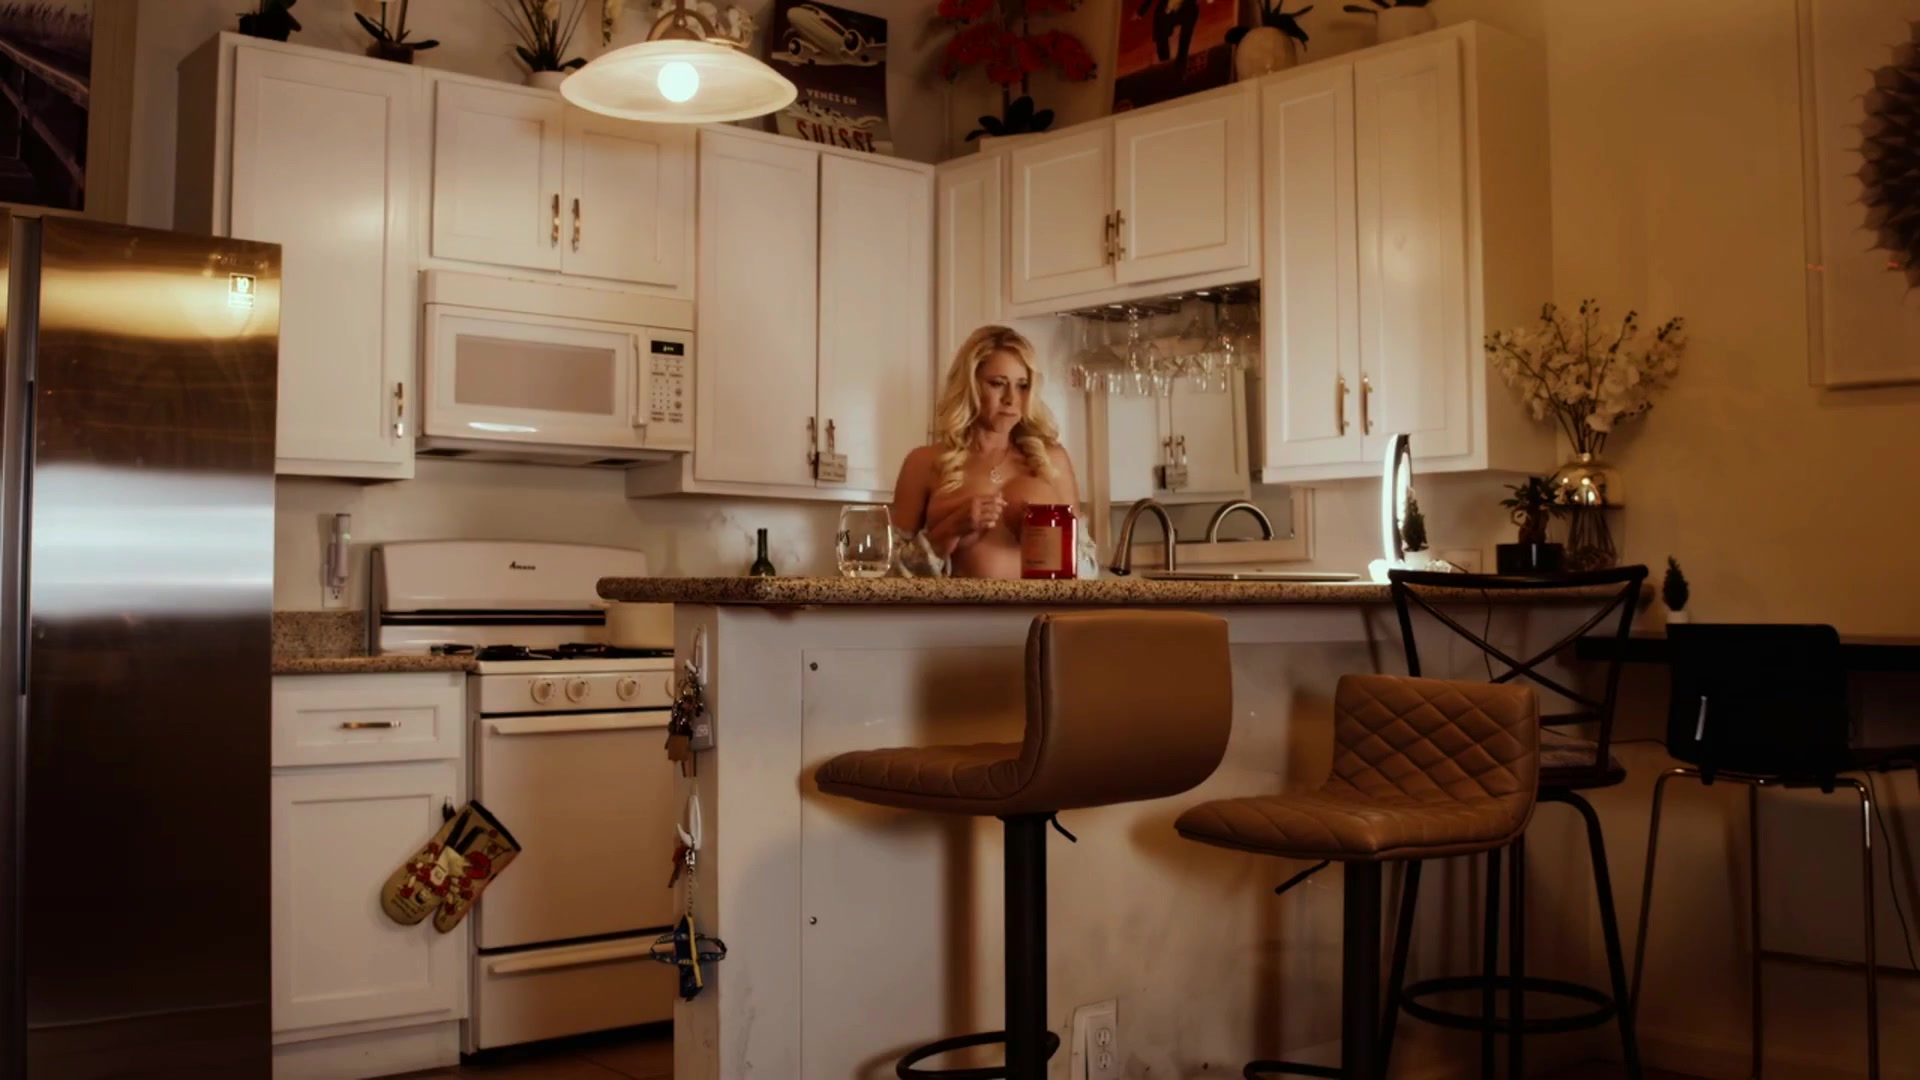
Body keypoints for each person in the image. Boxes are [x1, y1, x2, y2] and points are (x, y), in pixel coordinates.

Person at [891, 326, 1083, 579]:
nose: (1011, 399)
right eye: (997, 384)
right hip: (958, 606)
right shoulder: (923, 462)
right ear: (969, 385)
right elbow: (890, 577)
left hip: (1038, 605)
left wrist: (1046, 538)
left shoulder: (1052, 460)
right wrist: (949, 530)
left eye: (1023, 386)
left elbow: (1086, 568)